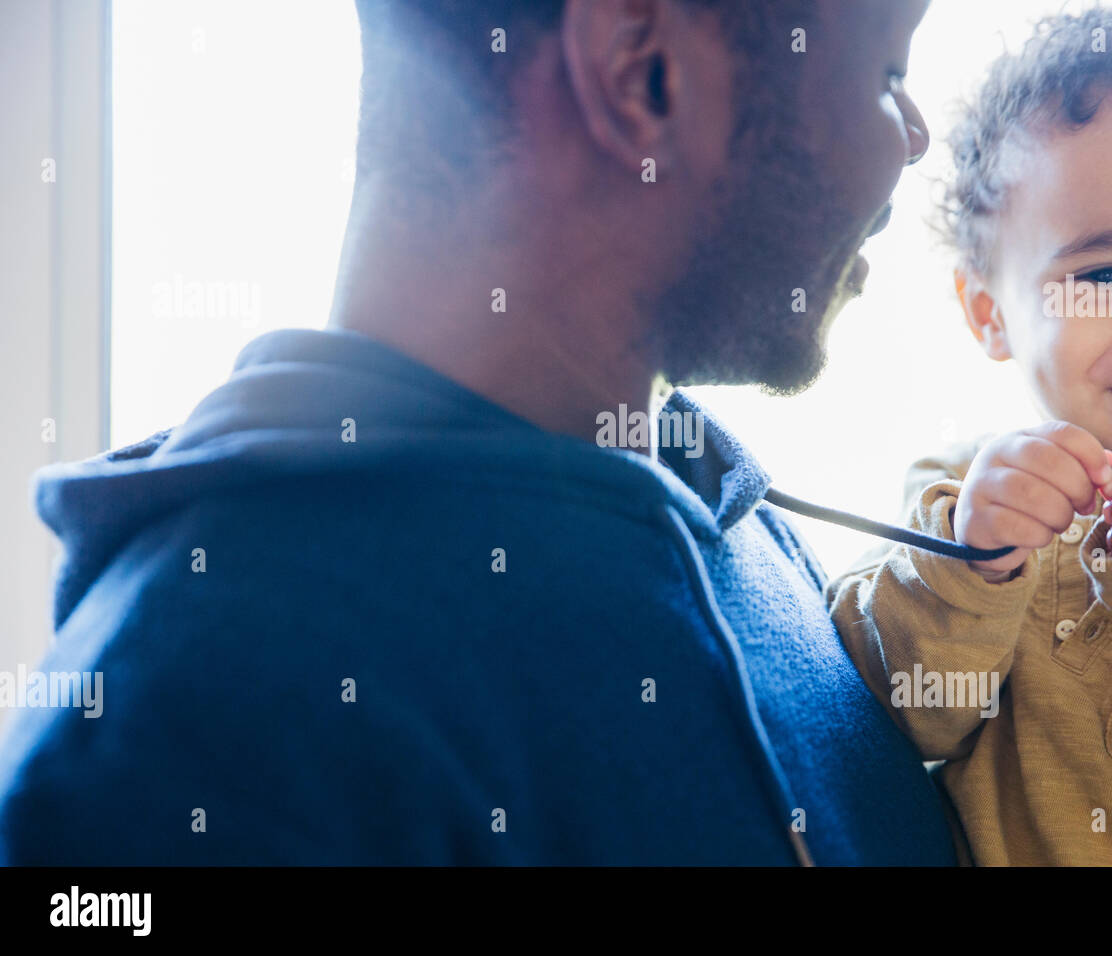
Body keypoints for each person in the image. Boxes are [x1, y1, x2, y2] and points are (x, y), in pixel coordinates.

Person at [0, 0, 948, 864]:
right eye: (888, 75)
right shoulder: (182, 744)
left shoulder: (744, 539)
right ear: (641, 70)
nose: (916, 138)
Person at [829, 2, 1112, 865]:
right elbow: (877, 717)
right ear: (990, 312)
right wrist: (970, 563)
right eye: (1110, 273)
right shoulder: (959, 500)